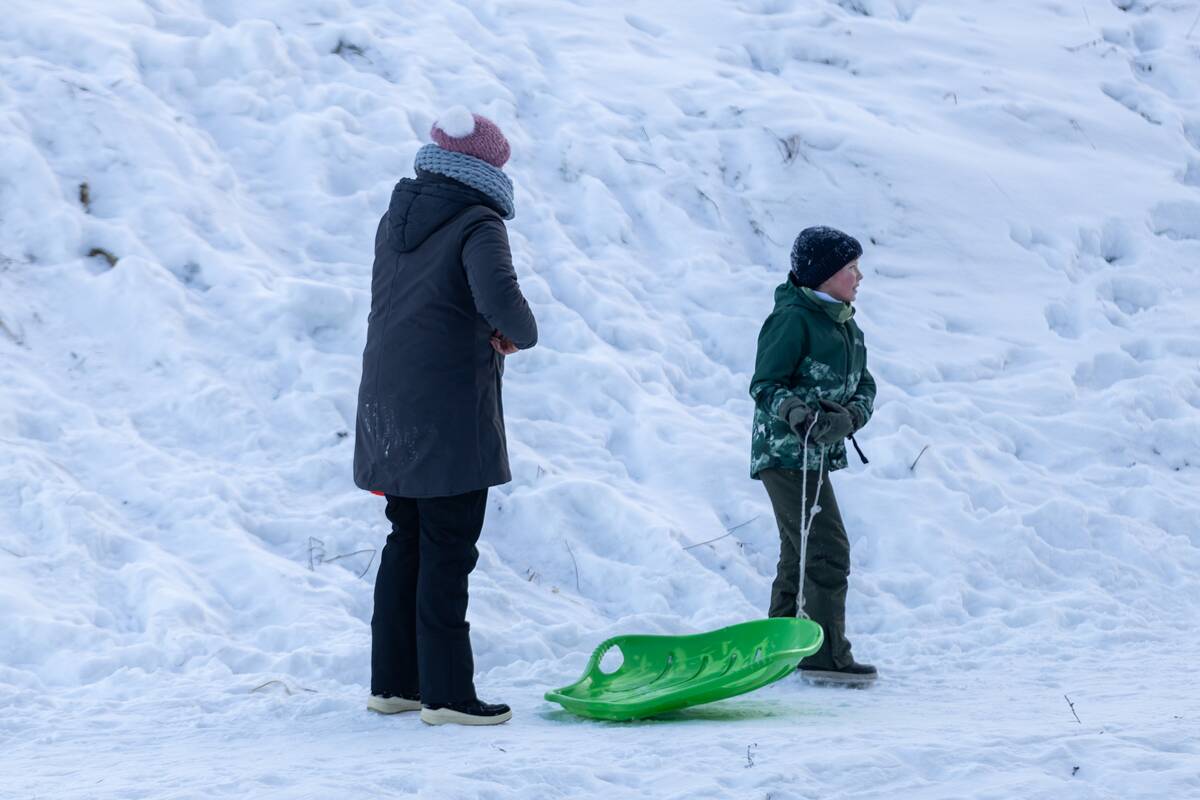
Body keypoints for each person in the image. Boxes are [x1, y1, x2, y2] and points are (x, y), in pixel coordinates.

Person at [353, 107, 537, 725]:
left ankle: (396, 684)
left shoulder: (396, 214)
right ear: (485, 168)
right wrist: (516, 332)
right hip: (449, 406)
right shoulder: (477, 221)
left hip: (388, 401)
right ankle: (448, 695)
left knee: (406, 537)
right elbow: (505, 307)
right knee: (448, 545)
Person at [749, 226, 877, 685]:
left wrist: (850, 418)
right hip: (785, 451)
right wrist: (797, 412)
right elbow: (764, 384)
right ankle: (824, 655)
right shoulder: (792, 319)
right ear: (823, 276)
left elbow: (865, 384)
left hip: (816, 454)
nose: (859, 277)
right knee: (826, 548)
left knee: (799, 550)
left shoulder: (845, 322)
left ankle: (774, 648)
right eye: (850, 268)